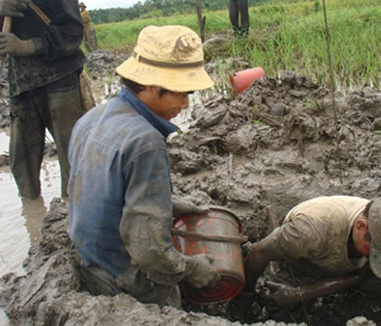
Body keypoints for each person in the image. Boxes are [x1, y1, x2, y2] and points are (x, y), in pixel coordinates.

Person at [67, 25, 220, 307]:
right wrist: (191, 268)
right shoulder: (146, 142)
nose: (186, 104)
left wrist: (166, 202)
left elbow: (102, 194)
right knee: (169, 301)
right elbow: (149, 254)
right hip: (123, 278)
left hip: (90, 260)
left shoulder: (92, 118)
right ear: (150, 86)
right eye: (180, 93)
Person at [243, 195, 381, 323]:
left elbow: (365, 271)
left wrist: (304, 294)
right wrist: (245, 295)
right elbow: (258, 253)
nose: (378, 259)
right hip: (303, 263)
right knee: (280, 312)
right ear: (361, 227)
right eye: (377, 254)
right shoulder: (309, 232)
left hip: (347, 267)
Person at [0, 0, 86, 199]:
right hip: (21, 80)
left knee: (71, 154)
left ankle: (69, 211)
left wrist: (29, 46)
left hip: (60, 77)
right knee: (21, 161)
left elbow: (72, 31)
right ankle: (31, 210)